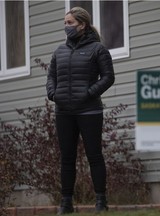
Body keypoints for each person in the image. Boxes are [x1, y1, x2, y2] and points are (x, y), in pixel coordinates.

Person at [46, 7, 115, 215]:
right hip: (63, 111)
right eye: (65, 23)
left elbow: (108, 77)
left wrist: (89, 93)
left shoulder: (97, 49)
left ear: (82, 25)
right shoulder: (59, 51)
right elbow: (51, 76)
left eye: (70, 23)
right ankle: (66, 204)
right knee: (67, 158)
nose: (66, 27)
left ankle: (101, 202)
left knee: (94, 156)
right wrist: (53, 94)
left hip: (89, 111)